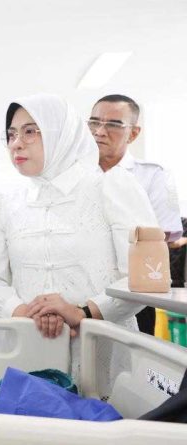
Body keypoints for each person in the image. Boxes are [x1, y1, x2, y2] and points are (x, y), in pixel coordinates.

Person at [0, 93, 157, 374]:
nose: (16, 144)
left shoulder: (112, 187)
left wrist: (83, 312)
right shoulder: (2, 203)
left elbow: (144, 277)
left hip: (102, 346)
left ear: (62, 134)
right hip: (26, 346)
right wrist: (24, 313)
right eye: (11, 134)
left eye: (30, 132)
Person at [89, 94, 182, 335]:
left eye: (113, 124)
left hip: (134, 293)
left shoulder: (154, 176)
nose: (99, 131)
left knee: (135, 355)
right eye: (94, 122)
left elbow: (164, 236)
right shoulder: (78, 176)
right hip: (85, 290)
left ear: (133, 133)